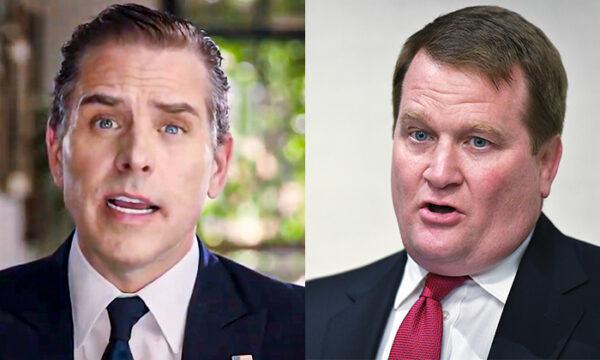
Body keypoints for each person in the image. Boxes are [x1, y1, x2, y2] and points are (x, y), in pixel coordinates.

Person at [0, 4, 304, 359]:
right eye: (105, 122)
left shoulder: (300, 328)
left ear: (218, 166)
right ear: (56, 153)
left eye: (172, 128)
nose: (136, 157)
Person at [307, 5, 600, 359]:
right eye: (419, 135)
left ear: (546, 163)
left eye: (479, 141)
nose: (440, 173)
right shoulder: (312, 312)